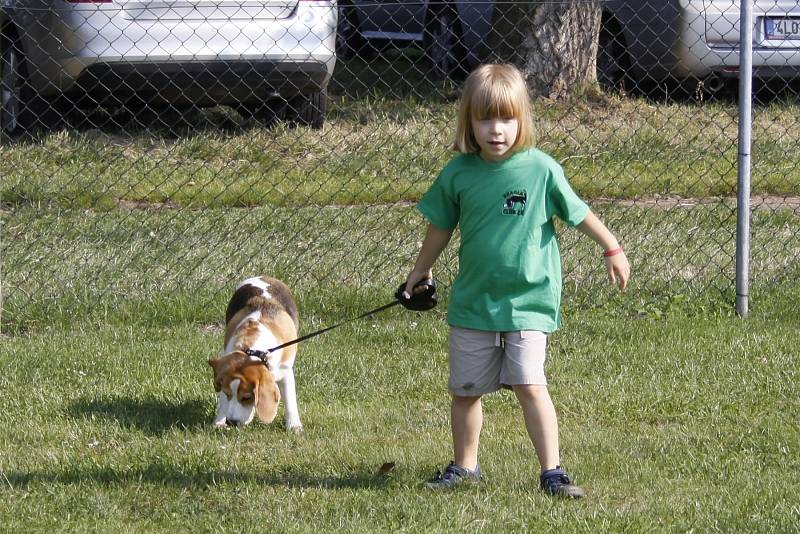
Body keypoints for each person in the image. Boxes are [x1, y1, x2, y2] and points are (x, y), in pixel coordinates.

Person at [403, 63, 630, 497]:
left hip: (529, 299)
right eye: (485, 118)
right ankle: (464, 467)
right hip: (474, 301)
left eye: (506, 118)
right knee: (467, 390)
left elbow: (578, 212)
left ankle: (552, 471)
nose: (496, 130)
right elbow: (439, 228)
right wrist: (421, 269)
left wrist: (611, 247)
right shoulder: (458, 173)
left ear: (521, 119)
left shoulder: (541, 170)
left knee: (529, 382)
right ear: (469, 121)